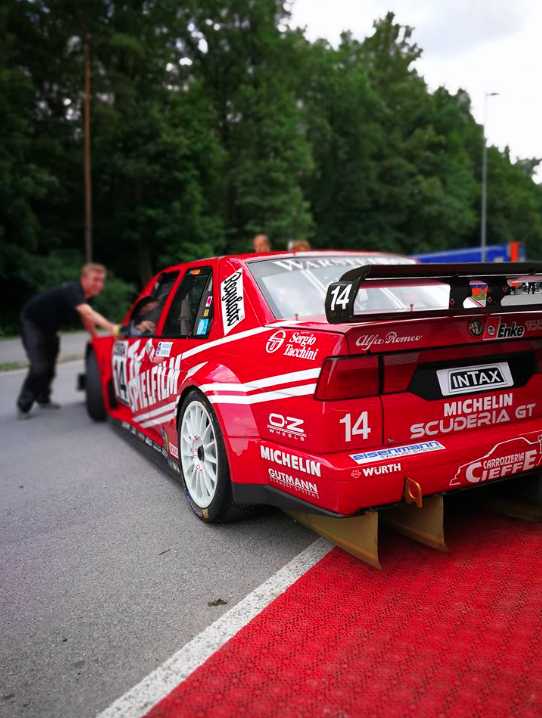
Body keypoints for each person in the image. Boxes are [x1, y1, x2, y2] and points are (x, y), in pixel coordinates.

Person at [16, 263, 118, 419]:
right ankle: (23, 406)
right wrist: (112, 328)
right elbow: (88, 314)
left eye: (102, 280)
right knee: (39, 366)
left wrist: (96, 340)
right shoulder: (72, 290)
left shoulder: (87, 297)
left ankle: (43, 398)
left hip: (50, 329)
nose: (99, 284)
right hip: (32, 324)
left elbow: (86, 319)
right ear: (83, 279)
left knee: (49, 366)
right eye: (95, 279)